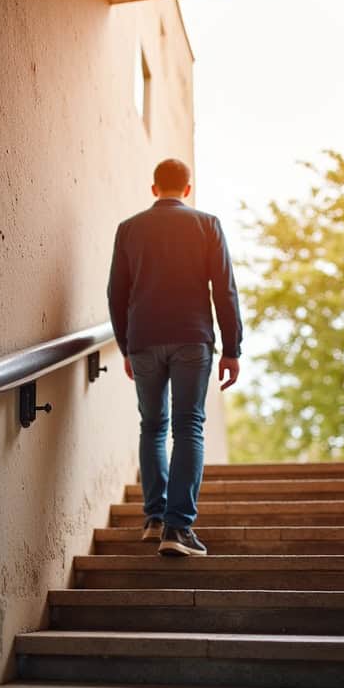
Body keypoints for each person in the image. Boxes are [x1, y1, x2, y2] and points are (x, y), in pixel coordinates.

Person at [107, 158, 243, 557]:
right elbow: (225, 290)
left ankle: (154, 519)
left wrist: (126, 346)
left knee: (152, 427)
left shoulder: (129, 229)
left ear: (154, 189)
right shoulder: (207, 225)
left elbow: (116, 293)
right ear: (187, 188)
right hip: (191, 339)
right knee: (188, 427)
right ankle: (178, 528)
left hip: (144, 340)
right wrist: (232, 349)